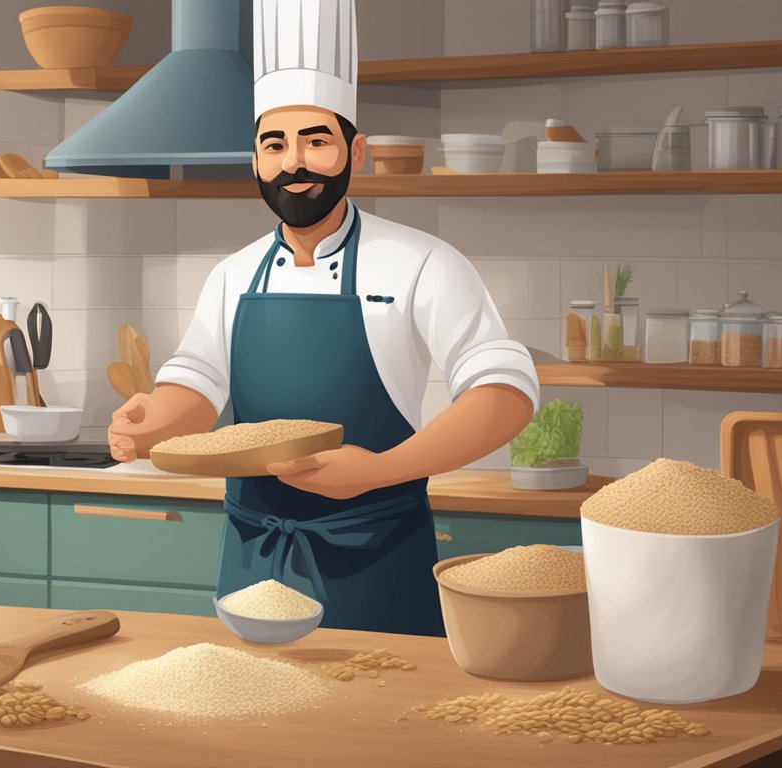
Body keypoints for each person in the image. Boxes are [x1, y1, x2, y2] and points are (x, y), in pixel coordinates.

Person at [106, 0, 538, 636]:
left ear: (354, 151)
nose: (294, 162)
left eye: (316, 140)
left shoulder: (423, 263)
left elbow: (506, 392)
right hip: (253, 558)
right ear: (254, 158)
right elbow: (199, 382)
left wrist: (381, 470)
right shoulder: (233, 273)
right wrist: (150, 423)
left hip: (376, 553)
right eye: (274, 144)